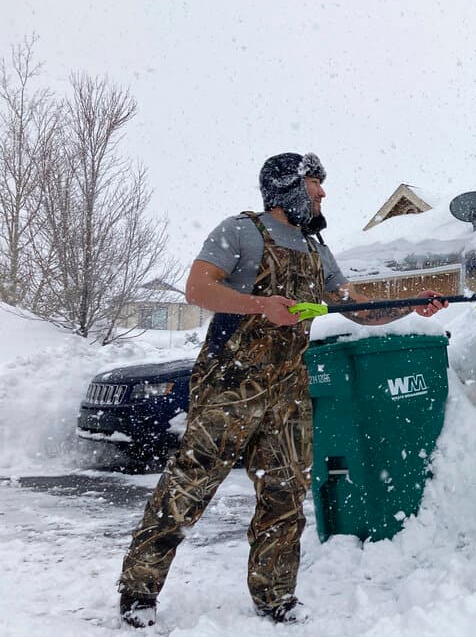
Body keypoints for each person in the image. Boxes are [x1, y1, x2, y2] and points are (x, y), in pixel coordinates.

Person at [117, 152, 446, 628]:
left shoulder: (316, 248)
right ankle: (138, 591)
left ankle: (275, 595)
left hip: (289, 389)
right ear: (289, 186)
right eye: (315, 183)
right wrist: (259, 305)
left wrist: (412, 306)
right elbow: (197, 289)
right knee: (188, 488)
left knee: (285, 495)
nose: (322, 193)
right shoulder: (241, 230)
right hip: (230, 386)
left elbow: (351, 305)